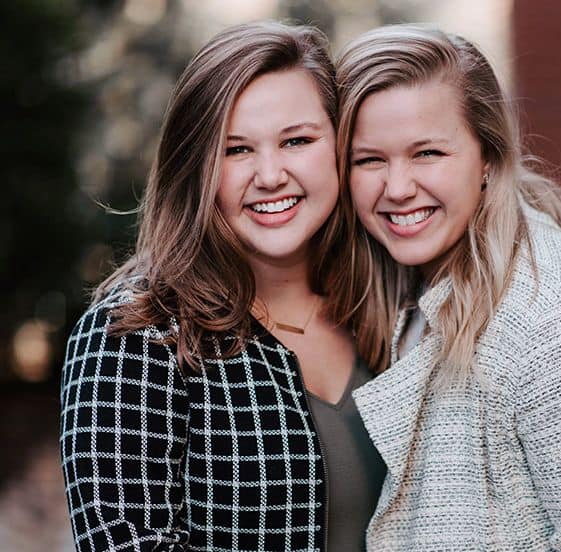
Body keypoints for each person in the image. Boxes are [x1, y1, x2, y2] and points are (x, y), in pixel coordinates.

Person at [328, 25, 561, 550]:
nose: (396, 188)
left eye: (427, 154)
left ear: (488, 157)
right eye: (369, 160)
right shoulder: (420, 284)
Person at [60, 22, 385, 551]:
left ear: (340, 147)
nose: (271, 174)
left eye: (297, 140)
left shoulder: (386, 307)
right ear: (195, 166)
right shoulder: (135, 333)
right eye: (235, 150)